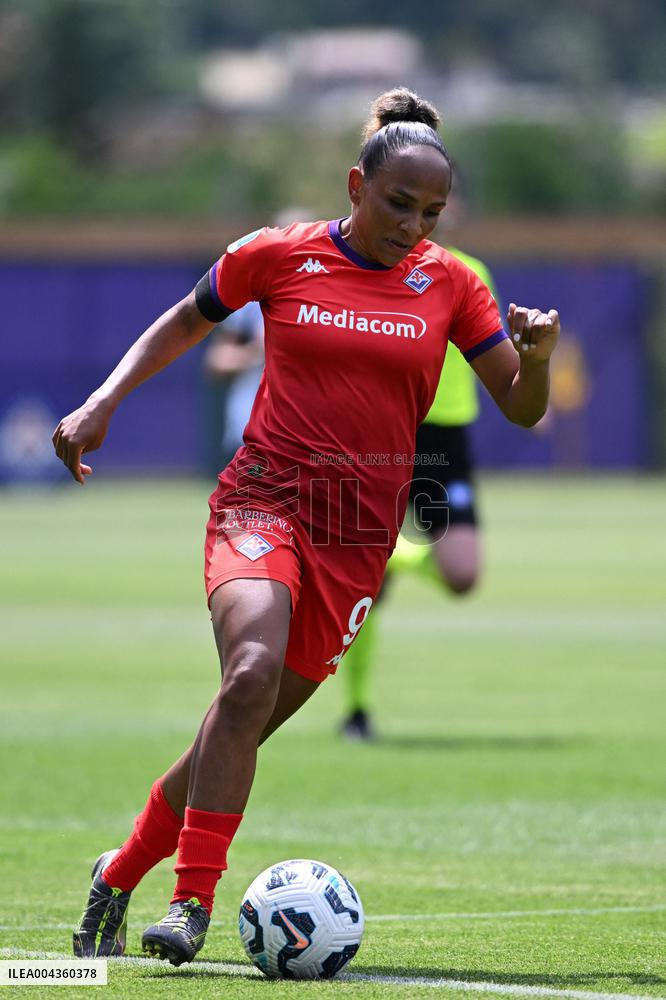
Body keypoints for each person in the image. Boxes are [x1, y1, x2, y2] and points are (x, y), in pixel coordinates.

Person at [53, 86, 559, 967]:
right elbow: (183, 321)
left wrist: (541, 360)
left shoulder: (450, 284)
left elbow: (519, 406)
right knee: (246, 675)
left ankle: (119, 869)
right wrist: (103, 401)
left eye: (432, 211)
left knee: (238, 721)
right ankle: (192, 904)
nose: (415, 224)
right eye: (399, 203)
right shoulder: (279, 255)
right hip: (264, 501)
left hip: (356, 538)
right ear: (355, 185)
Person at [340, 234, 499, 741]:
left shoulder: (471, 269)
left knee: (463, 575)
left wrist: (525, 385)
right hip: (380, 429)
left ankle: (397, 555)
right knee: (361, 588)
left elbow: (491, 351)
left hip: (444, 436)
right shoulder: (372, 265)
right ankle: (358, 710)